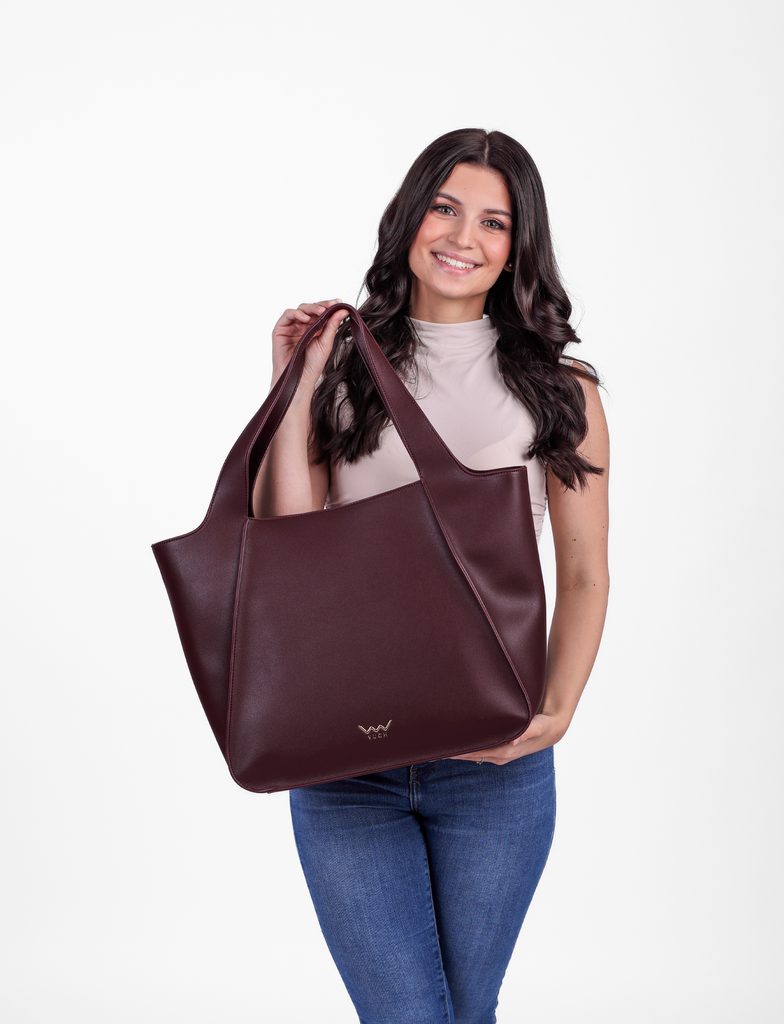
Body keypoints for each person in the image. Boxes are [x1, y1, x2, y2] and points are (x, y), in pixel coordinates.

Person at [252, 128, 610, 1024]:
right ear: (411, 217)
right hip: (347, 754)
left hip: (494, 766)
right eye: (445, 208)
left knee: (466, 1009)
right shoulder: (342, 364)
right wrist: (291, 386)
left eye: (494, 221)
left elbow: (584, 573)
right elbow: (289, 540)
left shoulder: (561, 389)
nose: (463, 236)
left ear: (518, 247)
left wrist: (557, 711)